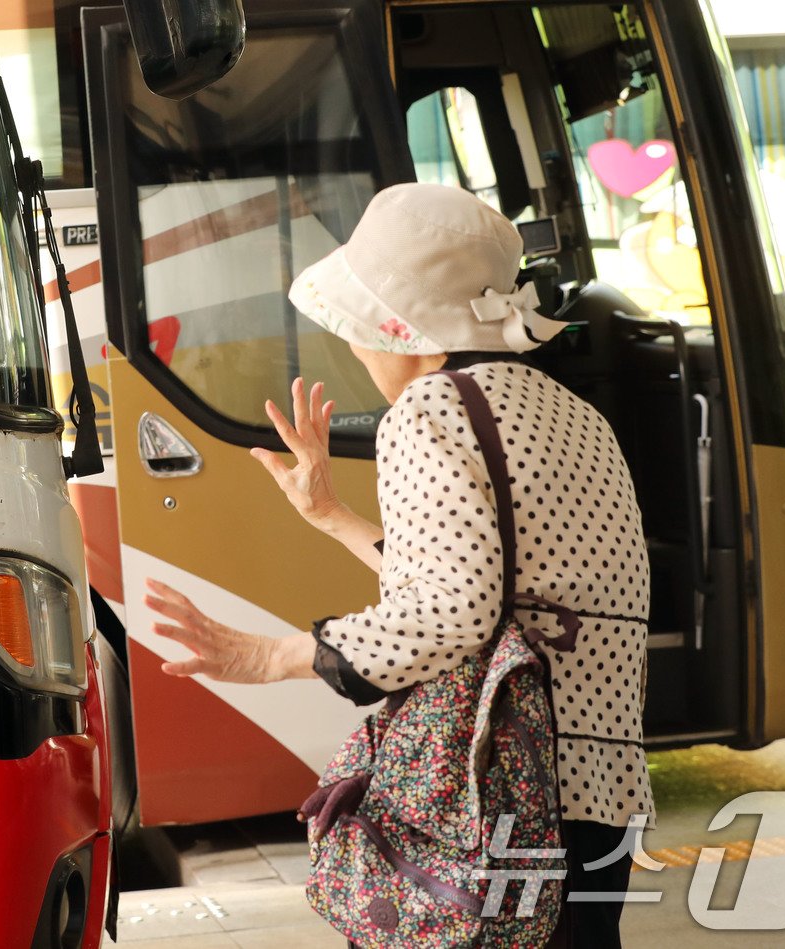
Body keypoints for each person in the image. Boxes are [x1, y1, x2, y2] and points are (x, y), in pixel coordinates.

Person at [145, 182, 654, 947]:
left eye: (361, 326)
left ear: (404, 326)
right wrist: (334, 518)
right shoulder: (577, 415)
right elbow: (495, 579)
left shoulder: (427, 409)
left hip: (502, 789)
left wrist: (270, 655)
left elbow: (454, 610)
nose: (355, 346)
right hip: (599, 792)